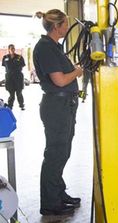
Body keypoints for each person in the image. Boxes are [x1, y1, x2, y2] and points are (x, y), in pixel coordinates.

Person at [33, 9, 83, 216]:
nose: (67, 28)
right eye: (64, 24)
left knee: (63, 152)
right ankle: (50, 203)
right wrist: (77, 72)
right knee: (55, 154)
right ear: (56, 26)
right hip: (56, 107)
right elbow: (60, 80)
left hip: (65, 106)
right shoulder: (45, 48)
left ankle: (59, 193)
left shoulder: (54, 46)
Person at [2, 44, 26, 110]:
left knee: (19, 93)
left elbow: (23, 65)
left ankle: (21, 105)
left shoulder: (19, 57)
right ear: (8, 49)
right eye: (11, 48)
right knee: (11, 93)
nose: (13, 49)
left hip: (18, 77)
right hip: (9, 78)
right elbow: (4, 66)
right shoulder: (5, 57)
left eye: (13, 48)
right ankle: (10, 106)